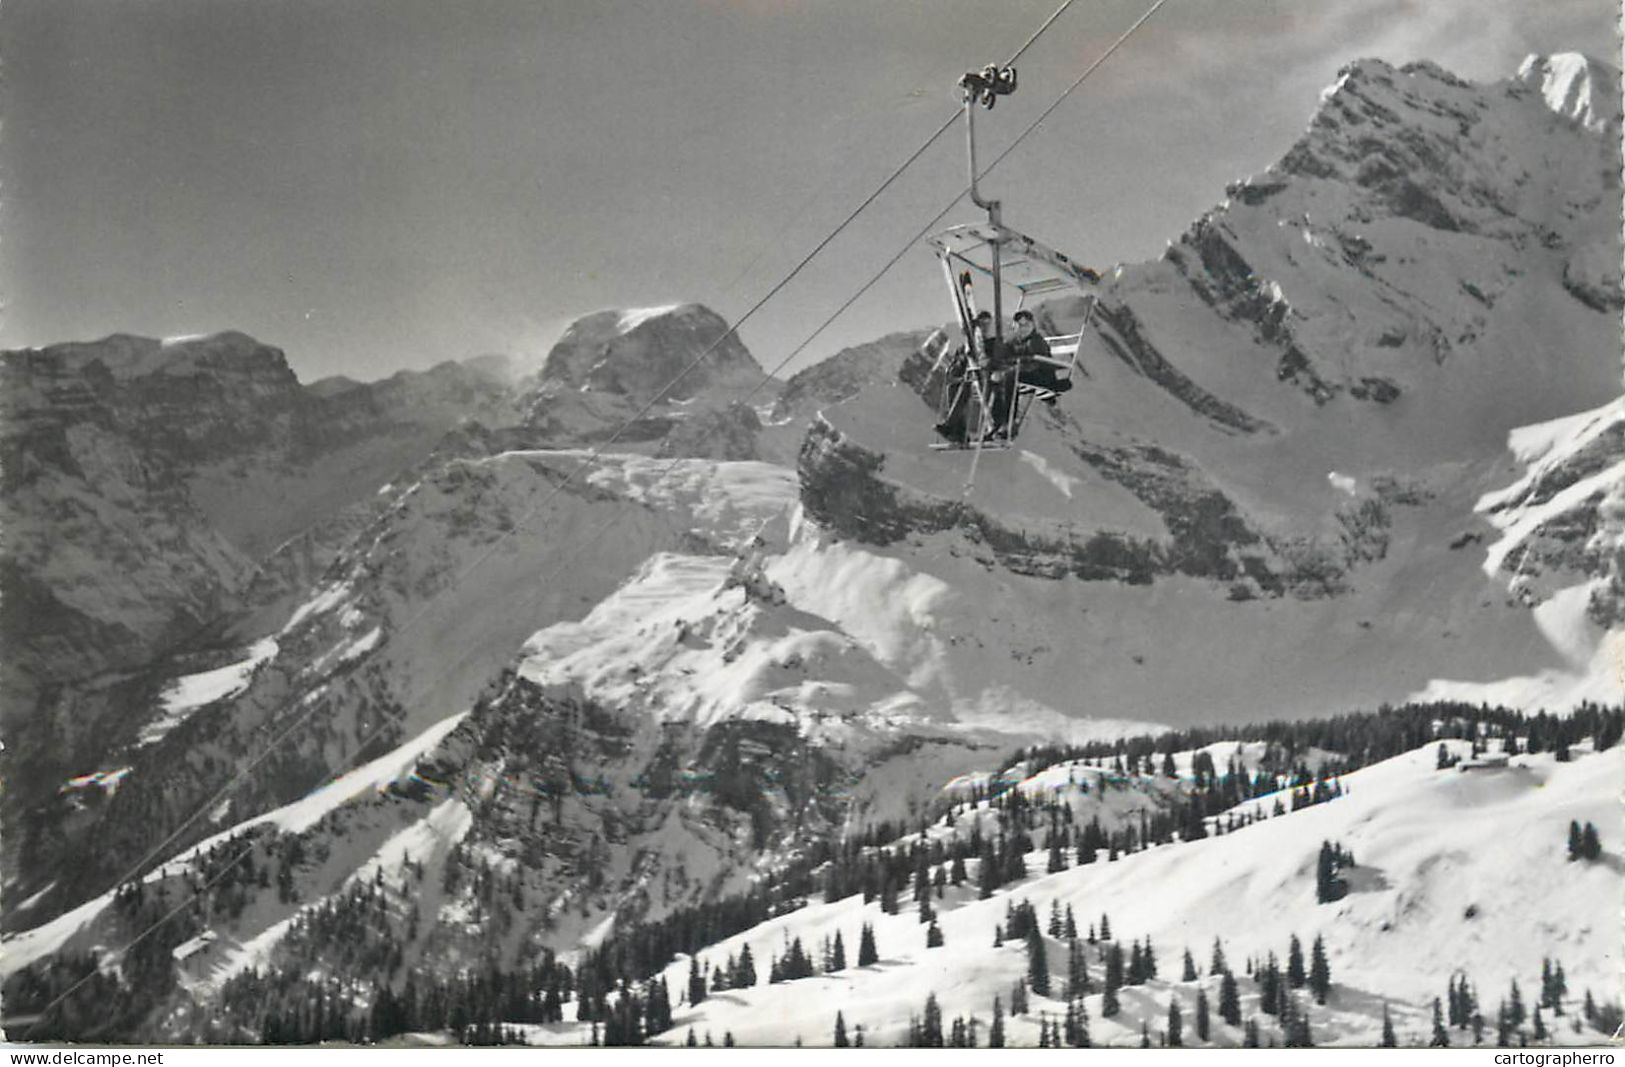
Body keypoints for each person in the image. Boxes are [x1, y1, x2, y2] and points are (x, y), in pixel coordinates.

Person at [1009, 309, 1072, 405]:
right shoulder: (1016, 341)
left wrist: (1016, 366)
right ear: (1015, 327)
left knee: (1008, 378)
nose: (1023, 329)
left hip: (1040, 376)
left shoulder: (1035, 341)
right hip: (1028, 374)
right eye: (1020, 326)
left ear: (1033, 326)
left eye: (1027, 325)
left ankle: (1006, 415)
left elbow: (1037, 362)